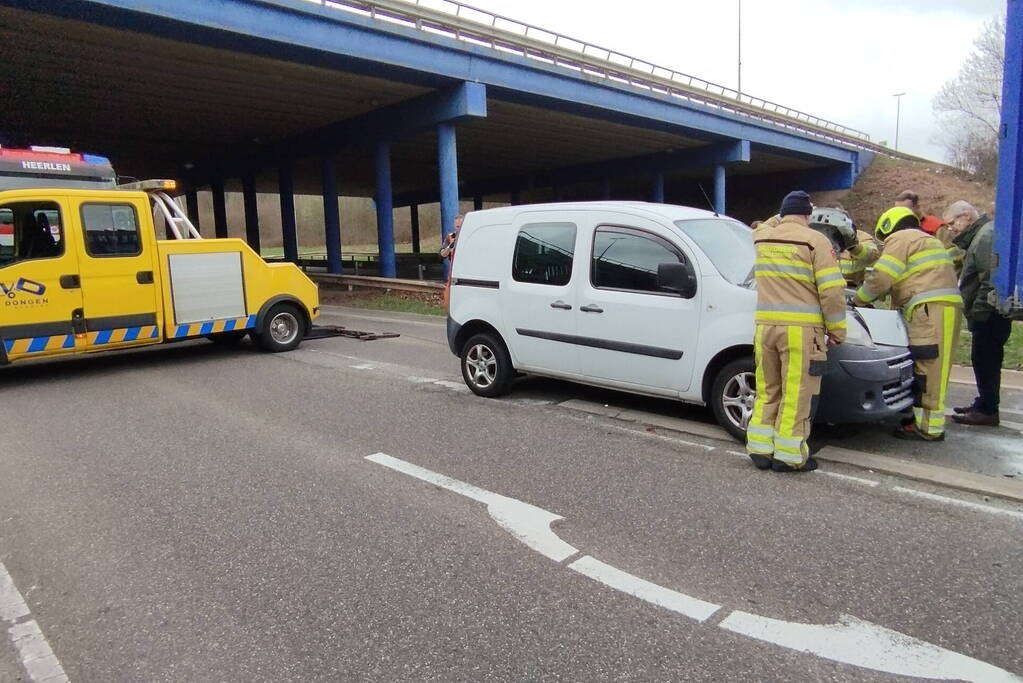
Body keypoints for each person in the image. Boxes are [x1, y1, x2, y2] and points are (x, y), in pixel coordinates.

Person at [746, 191, 847, 473]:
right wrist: (838, 329)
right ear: (807, 215)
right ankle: (789, 456)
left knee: (768, 390)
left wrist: (780, 216)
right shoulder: (816, 241)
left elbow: (762, 224)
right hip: (801, 333)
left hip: (765, 328)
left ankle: (760, 448)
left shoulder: (761, 238)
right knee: (797, 393)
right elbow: (831, 292)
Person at [853, 207, 963, 441]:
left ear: (888, 226)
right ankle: (925, 420)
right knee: (937, 366)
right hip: (944, 307)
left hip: (928, 309)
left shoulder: (901, 238)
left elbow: (882, 276)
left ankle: (928, 428)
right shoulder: (927, 240)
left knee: (927, 365)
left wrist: (859, 299)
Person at [945, 201, 1010, 427]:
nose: (950, 228)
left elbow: (988, 279)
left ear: (966, 217)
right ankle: (983, 404)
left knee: (986, 360)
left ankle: (988, 409)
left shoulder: (984, 237)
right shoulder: (982, 234)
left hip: (988, 315)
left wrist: (979, 313)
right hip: (988, 313)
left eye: (952, 223)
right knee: (984, 360)